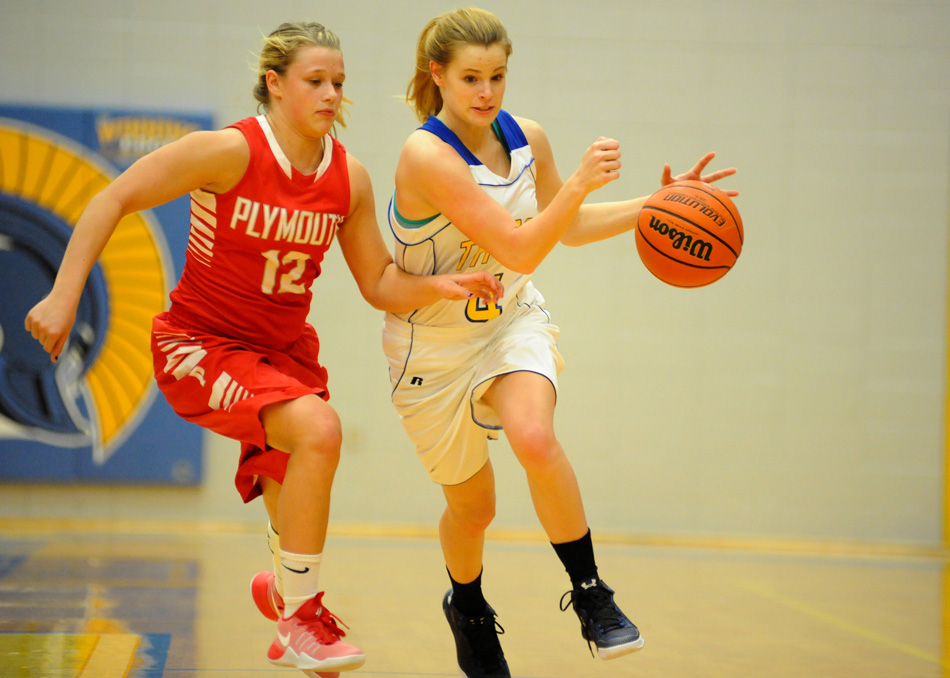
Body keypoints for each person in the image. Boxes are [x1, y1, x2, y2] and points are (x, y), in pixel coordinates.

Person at [24, 21, 503, 678]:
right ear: (275, 84)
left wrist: (438, 284)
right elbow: (115, 197)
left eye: (338, 81)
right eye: (315, 81)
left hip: (282, 355)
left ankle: (285, 594)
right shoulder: (227, 152)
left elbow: (379, 282)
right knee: (319, 430)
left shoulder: (349, 178)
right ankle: (303, 613)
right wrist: (62, 295)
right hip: (203, 344)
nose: (331, 93)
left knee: (294, 473)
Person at [383, 7, 738, 678]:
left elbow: (564, 229)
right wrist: (579, 182)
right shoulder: (424, 155)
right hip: (428, 345)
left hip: (510, 319)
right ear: (438, 76)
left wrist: (658, 205)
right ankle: (467, 606)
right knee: (473, 507)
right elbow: (518, 240)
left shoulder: (527, 137)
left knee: (534, 436)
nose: (486, 94)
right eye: (470, 79)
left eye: (498, 77)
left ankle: (592, 594)